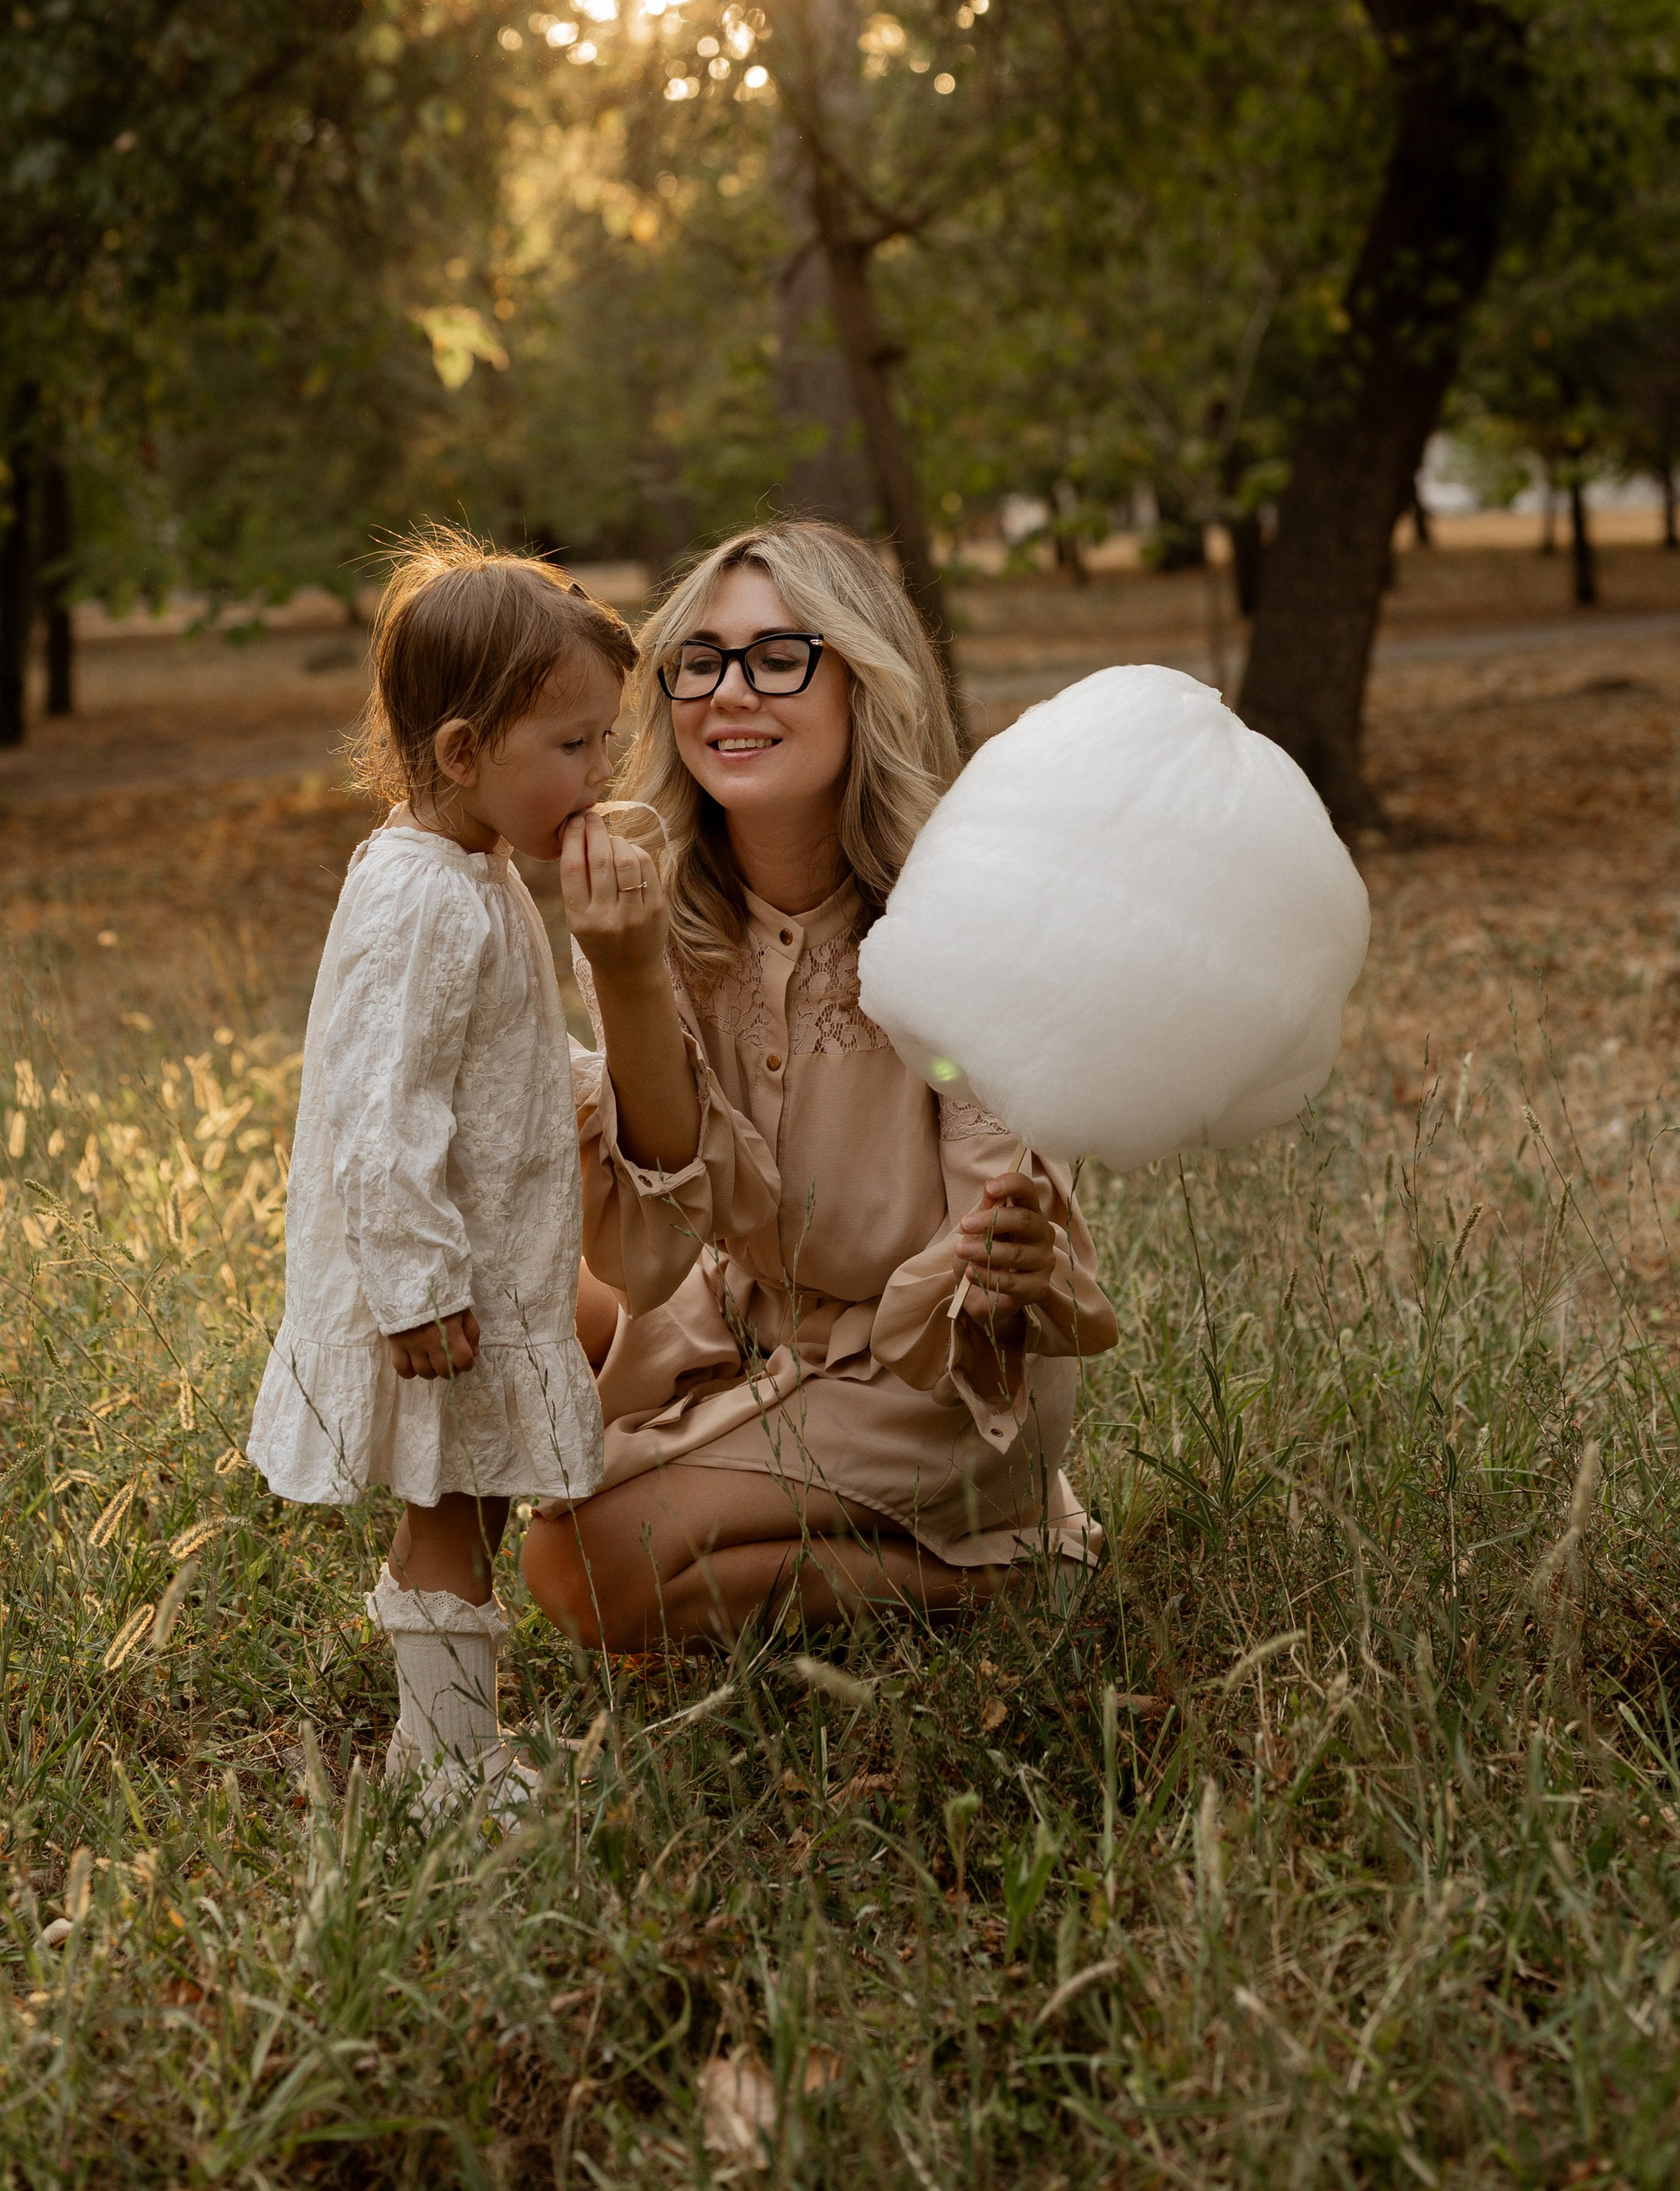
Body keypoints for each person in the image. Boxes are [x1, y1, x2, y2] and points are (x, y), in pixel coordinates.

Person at [524, 520, 1119, 1650]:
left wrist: (1010, 1263)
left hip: (926, 1371)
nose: (730, 695)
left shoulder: (968, 918)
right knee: (483, 1293)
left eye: (780, 655)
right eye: (700, 661)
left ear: (865, 680)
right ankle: (795, 1511)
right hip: (742, 1308)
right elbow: (656, 1244)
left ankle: (1016, 1571)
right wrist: (626, 971)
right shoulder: (655, 901)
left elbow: (994, 1248)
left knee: (577, 1567)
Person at [247, 530, 634, 1805]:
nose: (604, 767)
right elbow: (378, 1102)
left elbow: (503, 1056)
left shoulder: (480, 874)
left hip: (485, 1263)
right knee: (450, 1508)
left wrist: (600, 1081)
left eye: (605, 737)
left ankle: (438, 1745)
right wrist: (415, 1287)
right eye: (573, 745)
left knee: (469, 1500)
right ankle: (451, 1761)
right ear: (465, 753)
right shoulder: (418, 896)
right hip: (442, 1280)